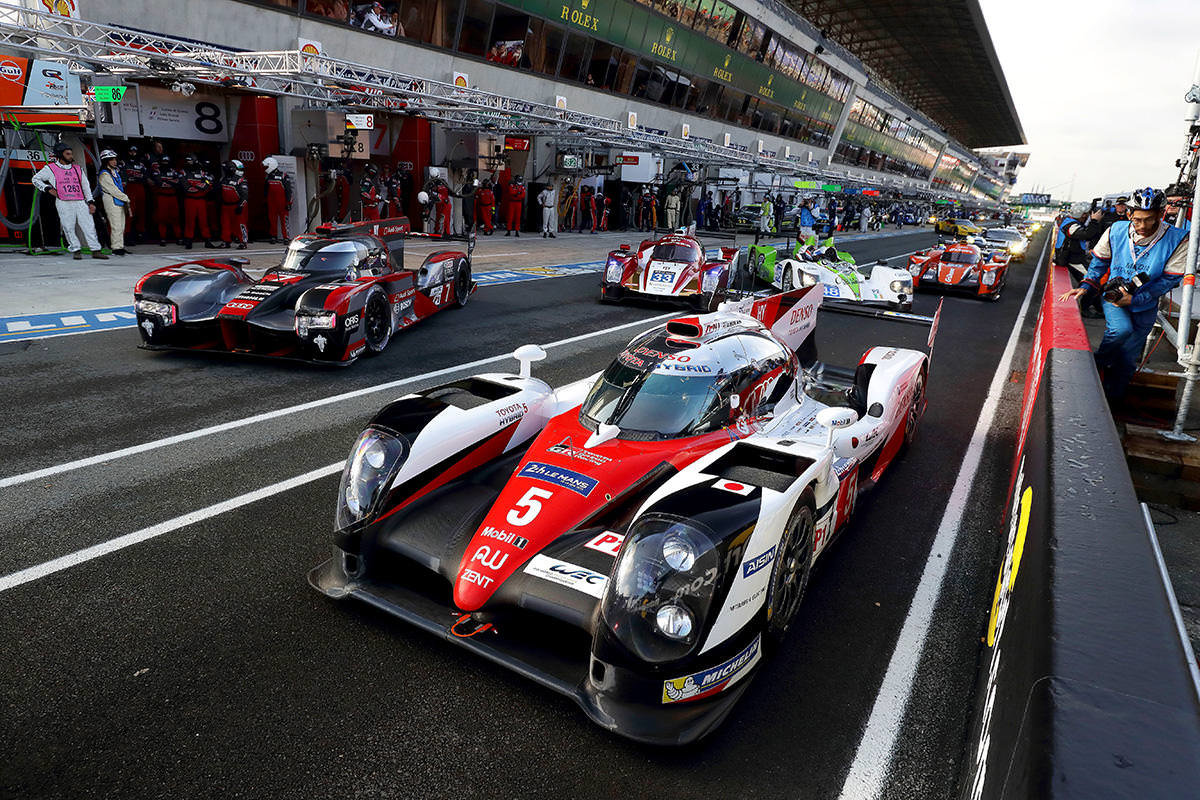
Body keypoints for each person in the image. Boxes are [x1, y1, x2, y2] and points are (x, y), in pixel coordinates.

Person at [1060, 187, 1190, 403]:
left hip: (1145, 304)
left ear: (1160, 213)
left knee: (1128, 358)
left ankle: (1111, 401)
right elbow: (1099, 261)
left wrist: (1136, 299)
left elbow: (1169, 280)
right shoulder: (1116, 230)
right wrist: (1087, 285)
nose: (1142, 226)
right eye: (1137, 219)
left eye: (1149, 220)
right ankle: (1097, 366)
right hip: (1114, 296)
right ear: (1129, 214)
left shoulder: (1178, 239)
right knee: (1120, 330)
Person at [32, 142, 108, 260]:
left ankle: (95, 250)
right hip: (63, 202)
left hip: (80, 201)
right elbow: (35, 179)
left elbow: (85, 186)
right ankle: (76, 250)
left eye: (71, 154)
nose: (71, 156)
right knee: (68, 227)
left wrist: (91, 201)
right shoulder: (50, 168)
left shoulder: (78, 169)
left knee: (89, 226)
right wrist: (47, 189)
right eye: (68, 154)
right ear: (60, 155)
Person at [97, 149, 132, 255]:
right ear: (106, 161)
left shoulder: (114, 172)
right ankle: (116, 248)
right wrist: (126, 198)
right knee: (116, 224)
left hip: (119, 200)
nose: (115, 161)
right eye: (112, 160)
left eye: (115, 159)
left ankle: (120, 246)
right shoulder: (104, 174)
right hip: (111, 200)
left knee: (121, 225)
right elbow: (113, 190)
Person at [179, 154, 215, 249]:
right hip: (190, 200)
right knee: (189, 221)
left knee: (204, 221)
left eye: (190, 161)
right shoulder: (183, 172)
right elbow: (185, 187)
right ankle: (188, 241)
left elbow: (209, 183)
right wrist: (199, 186)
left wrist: (201, 186)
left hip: (201, 200)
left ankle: (207, 241)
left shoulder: (203, 172)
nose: (188, 163)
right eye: (187, 161)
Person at [149, 154, 181, 246]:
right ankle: (163, 238)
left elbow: (178, 182)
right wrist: (170, 182)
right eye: (164, 161)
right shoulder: (157, 171)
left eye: (167, 161)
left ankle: (178, 237)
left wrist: (166, 181)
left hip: (172, 197)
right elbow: (159, 182)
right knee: (162, 218)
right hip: (161, 197)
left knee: (175, 218)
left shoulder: (173, 171)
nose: (165, 163)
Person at [218, 160, 249, 249]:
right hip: (225, 205)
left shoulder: (240, 180)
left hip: (237, 205)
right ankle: (226, 241)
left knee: (240, 224)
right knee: (225, 224)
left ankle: (243, 242)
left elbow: (245, 196)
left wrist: (240, 206)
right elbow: (220, 191)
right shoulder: (223, 179)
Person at [122, 146, 149, 244]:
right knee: (129, 212)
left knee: (141, 212)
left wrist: (134, 177)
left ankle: (141, 234)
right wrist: (134, 177)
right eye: (131, 151)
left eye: (134, 151)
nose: (133, 153)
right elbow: (123, 175)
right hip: (129, 189)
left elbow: (145, 176)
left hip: (140, 188)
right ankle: (127, 234)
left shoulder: (141, 164)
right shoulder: (123, 163)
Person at [263, 157, 294, 243]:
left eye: (266, 166)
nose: (265, 168)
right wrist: (265, 201)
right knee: (272, 220)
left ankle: (286, 237)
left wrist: (289, 202)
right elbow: (265, 190)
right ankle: (273, 236)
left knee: (284, 220)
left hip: (282, 203)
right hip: (271, 203)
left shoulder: (283, 176)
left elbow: (288, 190)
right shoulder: (268, 177)